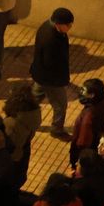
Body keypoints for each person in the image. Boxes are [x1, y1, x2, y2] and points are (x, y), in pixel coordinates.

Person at [30, 8, 74, 137]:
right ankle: (57, 129)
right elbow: (51, 64)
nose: (70, 27)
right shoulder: (51, 39)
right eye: (68, 25)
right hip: (51, 79)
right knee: (60, 105)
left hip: (40, 74)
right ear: (59, 24)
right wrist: (62, 80)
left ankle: (17, 116)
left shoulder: (48, 27)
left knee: (33, 99)